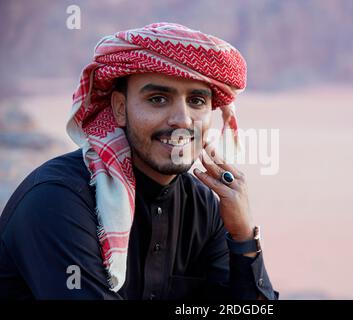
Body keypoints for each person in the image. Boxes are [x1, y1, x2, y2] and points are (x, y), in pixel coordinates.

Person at [0, 22, 278, 300]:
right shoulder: (58, 200)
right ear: (120, 108)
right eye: (158, 99)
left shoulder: (204, 207)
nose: (182, 120)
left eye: (196, 101)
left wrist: (243, 238)